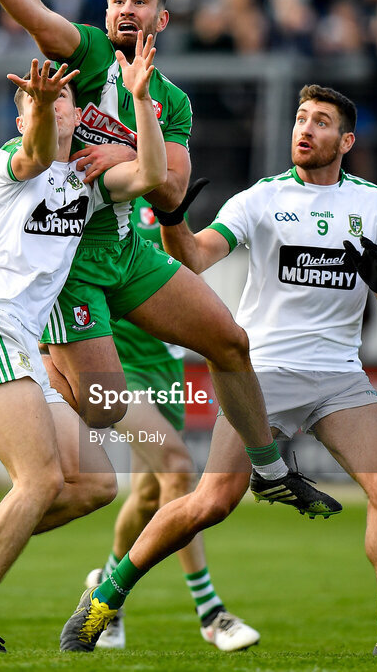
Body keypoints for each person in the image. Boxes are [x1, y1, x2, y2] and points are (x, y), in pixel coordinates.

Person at [0, 0, 339, 522]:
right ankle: (7, 369)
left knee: (230, 341)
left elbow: (173, 186)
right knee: (104, 414)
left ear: (163, 20)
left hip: (128, 250)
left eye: (141, 1)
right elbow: (38, 17)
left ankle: (270, 470)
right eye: (118, 0)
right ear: (106, 17)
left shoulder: (171, 100)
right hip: (69, 261)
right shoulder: (88, 55)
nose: (127, 9)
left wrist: (129, 150)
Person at [60, 84, 377, 659]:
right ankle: (104, 599)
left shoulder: (374, 204)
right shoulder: (261, 199)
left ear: (346, 141)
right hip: (263, 375)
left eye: (321, 122)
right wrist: (172, 216)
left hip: (338, 376)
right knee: (209, 504)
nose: (305, 129)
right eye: (300, 118)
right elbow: (193, 259)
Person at [0, 39, 167, 654]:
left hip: (21, 345)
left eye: (65, 97)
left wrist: (139, 102)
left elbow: (153, 176)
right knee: (37, 481)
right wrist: (38, 111)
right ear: (22, 114)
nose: (57, 105)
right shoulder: (11, 163)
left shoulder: (85, 180)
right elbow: (35, 153)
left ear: (79, 111)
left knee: (93, 484)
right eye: (42, 99)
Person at [83, 199, 259, 652]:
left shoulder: (163, 197)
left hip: (166, 365)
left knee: (148, 496)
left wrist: (173, 217)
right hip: (116, 365)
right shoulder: (99, 193)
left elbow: (185, 270)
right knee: (179, 471)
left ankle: (105, 591)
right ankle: (210, 611)